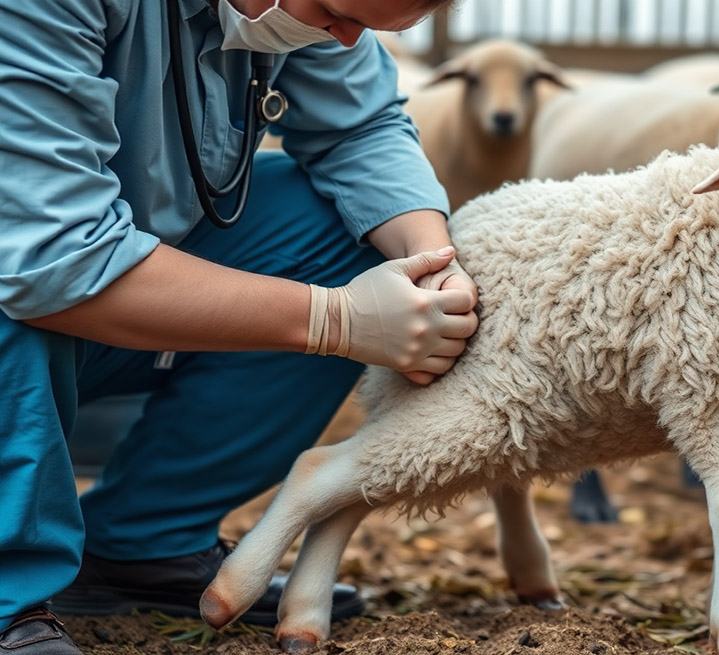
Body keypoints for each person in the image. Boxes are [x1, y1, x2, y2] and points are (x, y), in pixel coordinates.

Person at [0, 1, 479, 652]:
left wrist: (430, 267)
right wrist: (332, 319)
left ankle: (144, 543)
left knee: (344, 234)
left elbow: (361, 130)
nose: (348, 40)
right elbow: (51, 255)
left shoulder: (307, 14)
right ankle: (9, 597)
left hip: (111, 291)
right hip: (34, 282)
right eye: (336, 11)